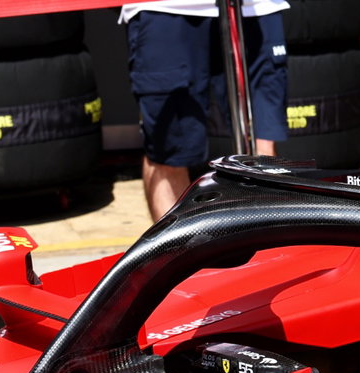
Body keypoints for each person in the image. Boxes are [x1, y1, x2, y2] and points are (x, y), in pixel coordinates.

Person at [121, 0, 289, 221]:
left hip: (257, 7)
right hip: (167, 8)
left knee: (262, 149)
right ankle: (175, 253)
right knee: (170, 153)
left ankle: (267, 250)